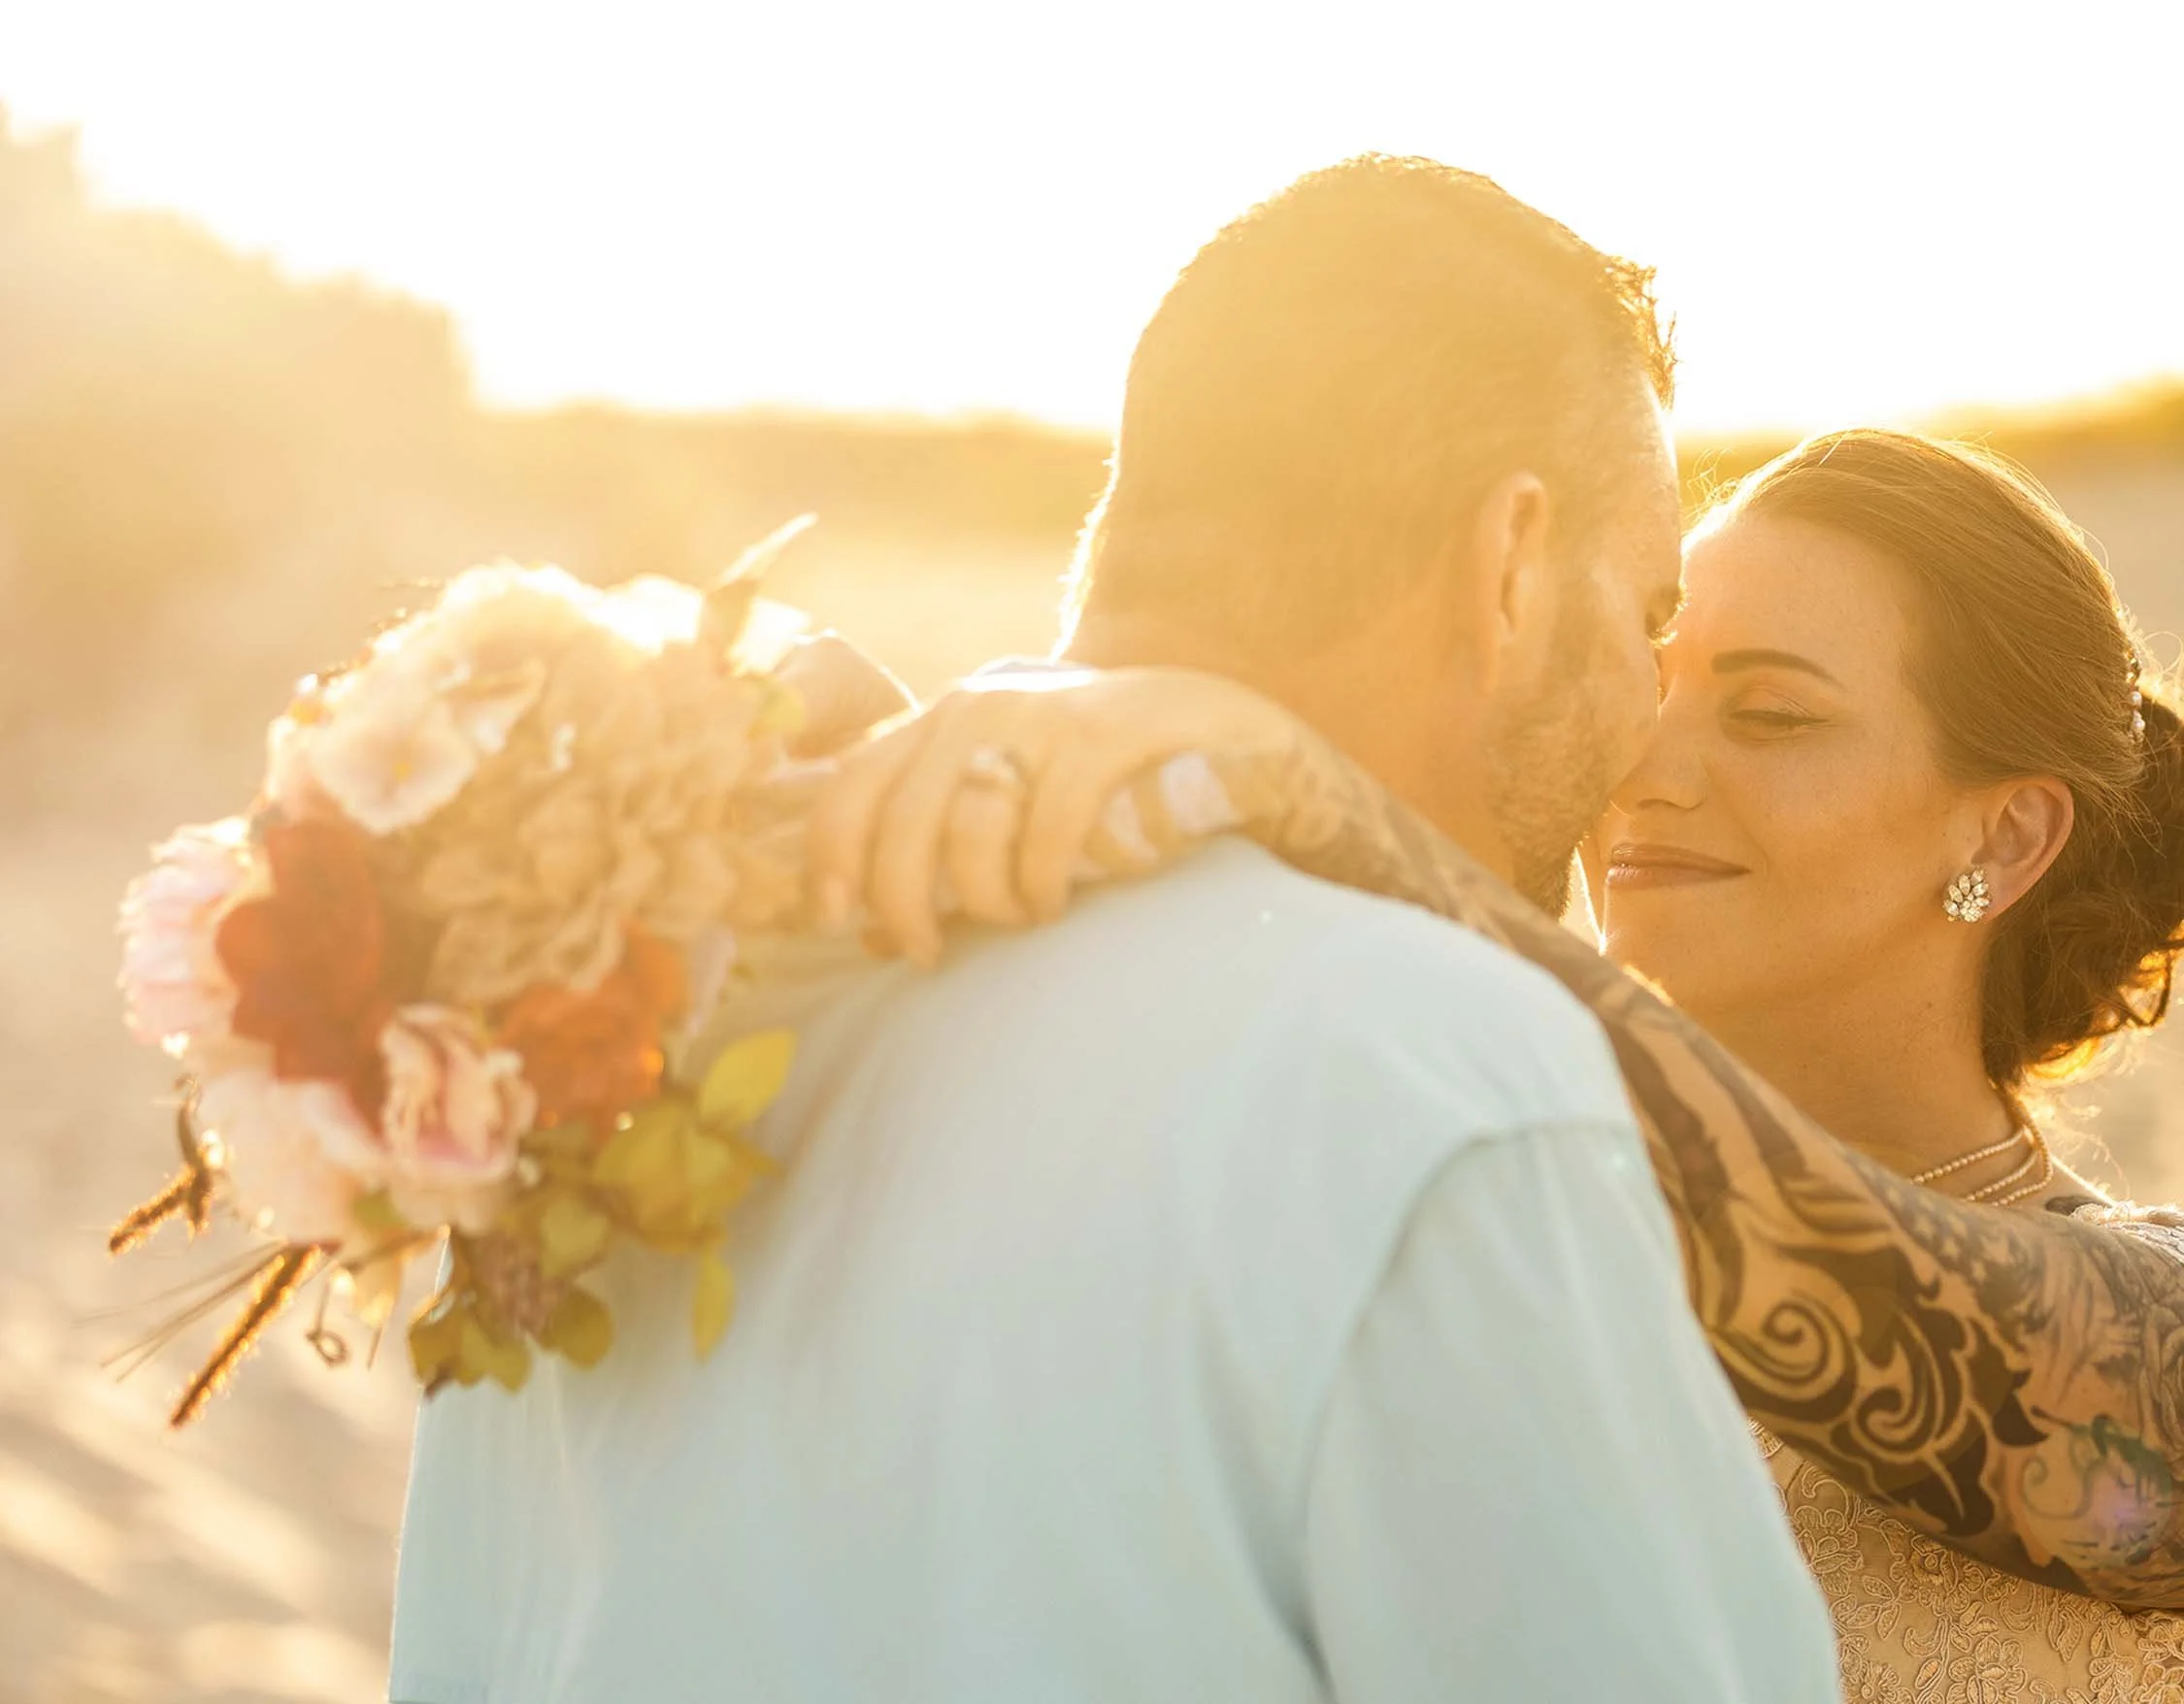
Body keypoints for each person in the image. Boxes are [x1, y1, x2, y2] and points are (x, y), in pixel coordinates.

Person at [386, 157, 1839, 1702]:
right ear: (1509, 565)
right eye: (1645, 619)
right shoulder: (1438, 1085)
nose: (1642, 728)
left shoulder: (606, 1031)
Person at [812, 427, 2184, 1694]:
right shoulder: (1461, 1255)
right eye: (1651, 682)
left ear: (2004, 839)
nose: (1647, 763)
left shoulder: (2147, 1349)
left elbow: (1903, 1315)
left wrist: (1323, 809)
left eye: (1769, 716)